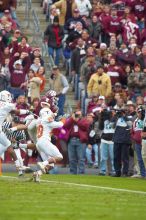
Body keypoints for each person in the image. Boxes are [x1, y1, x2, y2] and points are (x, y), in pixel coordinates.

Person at [0, 90, 30, 171]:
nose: (10, 98)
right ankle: (18, 165)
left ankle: (18, 165)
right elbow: (15, 111)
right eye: (8, 96)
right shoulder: (8, 105)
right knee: (9, 146)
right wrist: (28, 111)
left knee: (7, 145)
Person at [63, 110, 91, 174]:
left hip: (80, 141)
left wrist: (77, 121)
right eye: (76, 114)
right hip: (71, 140)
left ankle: (81, 173)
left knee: (81, 158)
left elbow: (85, 127)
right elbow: (65, 126)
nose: (77, 116)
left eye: (79, 114)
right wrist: (71, 118)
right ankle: (73, 173)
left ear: (81, 115)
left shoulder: (84, 120)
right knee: (72, 159)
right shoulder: (71, 120)